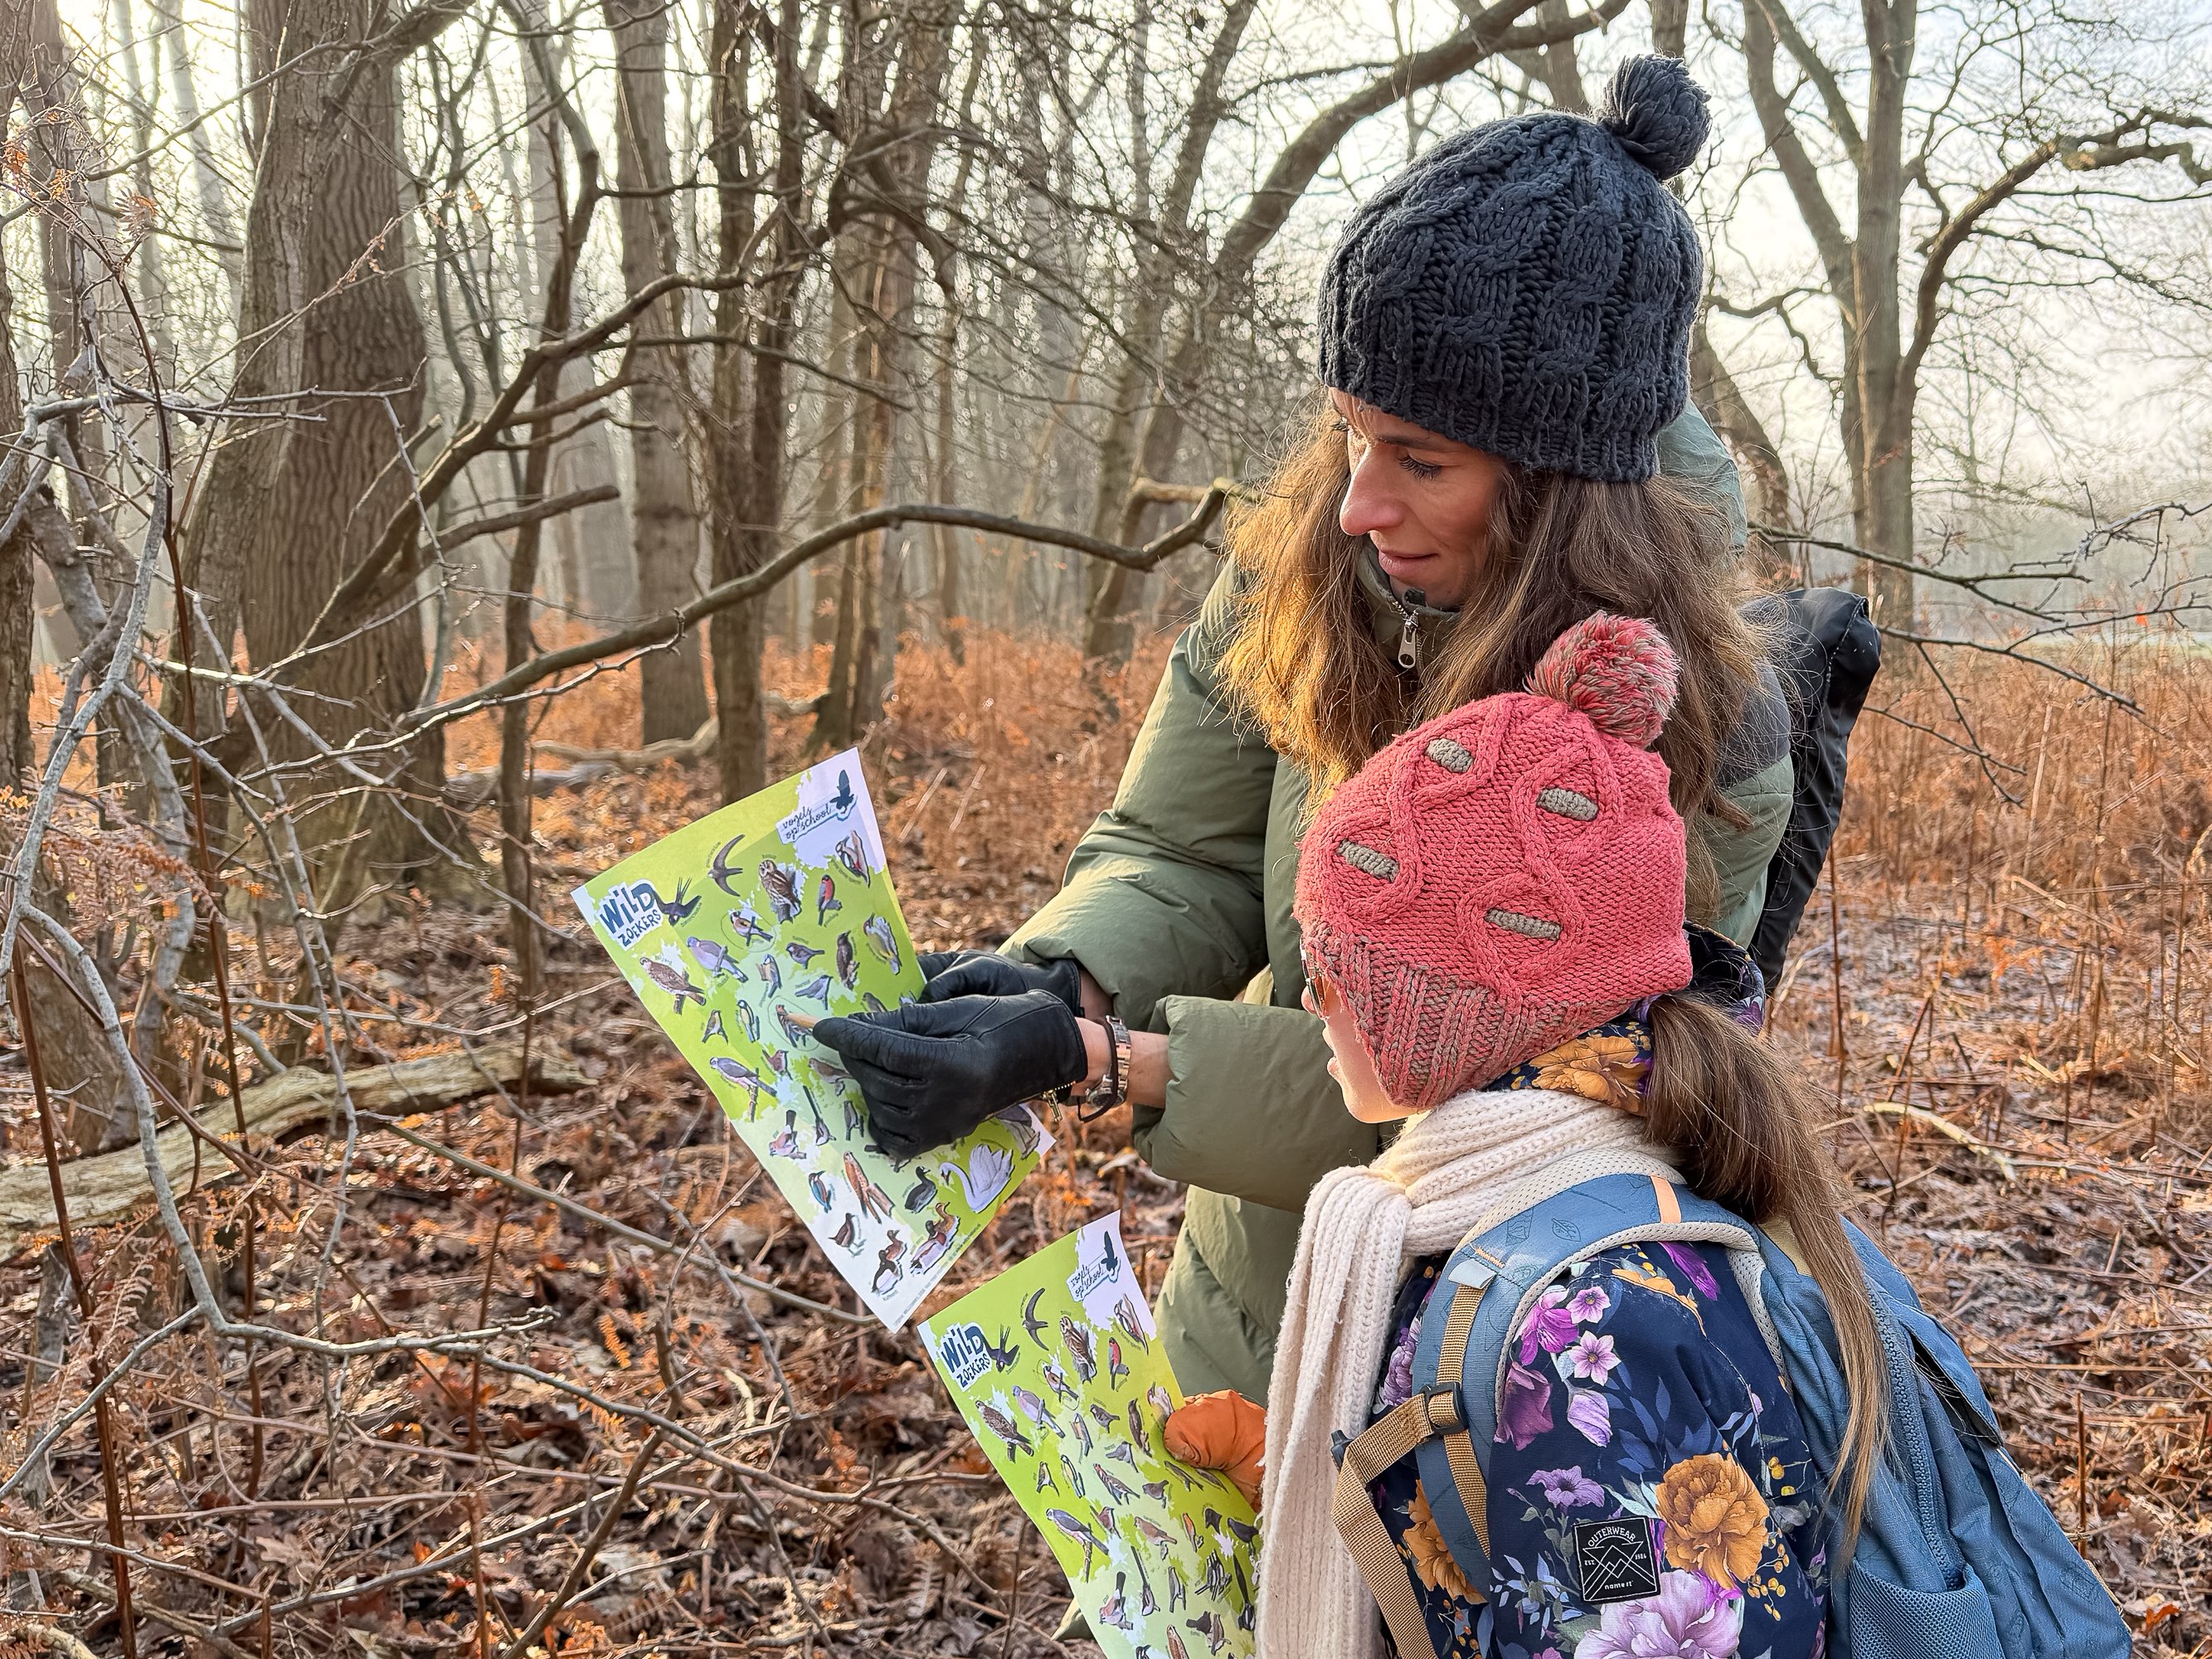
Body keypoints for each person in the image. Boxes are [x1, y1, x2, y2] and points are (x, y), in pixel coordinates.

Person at [813, 55, 1795, 1404]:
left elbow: (1519, 1103)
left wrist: (1105, 1065)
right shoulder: (1311, 572)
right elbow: (1183, 842)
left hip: (1506, 1376)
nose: (1354, 505)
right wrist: (1063, 977)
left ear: (1561, 488)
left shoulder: (1697, 729)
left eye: (1421, 462)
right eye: (1347, 436)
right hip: (1258, 1314)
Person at [1163, 612, 1883, 1659]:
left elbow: (1633, 1612)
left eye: (1340, 970)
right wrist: (1296, 1485)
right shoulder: (1511, 1199)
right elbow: (1526, 1550)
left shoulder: (1590, 1335)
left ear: (1462, 1007)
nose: (1312, 999)